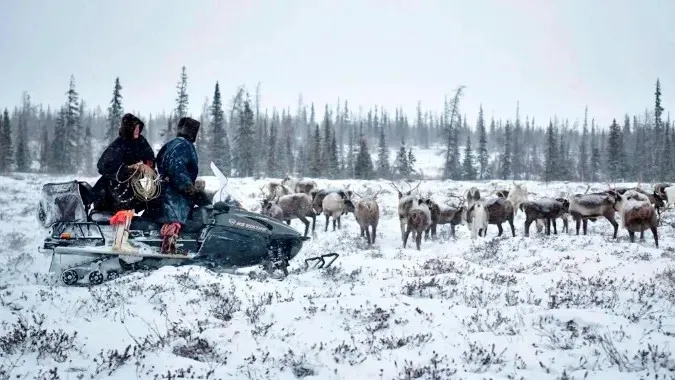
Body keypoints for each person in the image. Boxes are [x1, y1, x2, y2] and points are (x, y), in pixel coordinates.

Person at [149, 116, 204, 254]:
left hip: (164, 188)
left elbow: (161, 162)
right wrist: (188, 186)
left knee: (170, 219)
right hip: (175, 193)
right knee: (174, 220)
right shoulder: (184, 146)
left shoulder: (171, 144)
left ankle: (167, 248)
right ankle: (168, 250)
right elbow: (177, 168)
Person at [91, 113, 156, 214]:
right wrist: (127, 168)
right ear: (129, 129)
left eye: (139, 128)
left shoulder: (141, 141)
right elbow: (103, 165)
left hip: (138, 183)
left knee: (155, 193)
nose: (137, 130)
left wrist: (147, 165)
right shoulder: (118, 144)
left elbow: (150, 157)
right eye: (135, 128)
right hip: (116, 186)